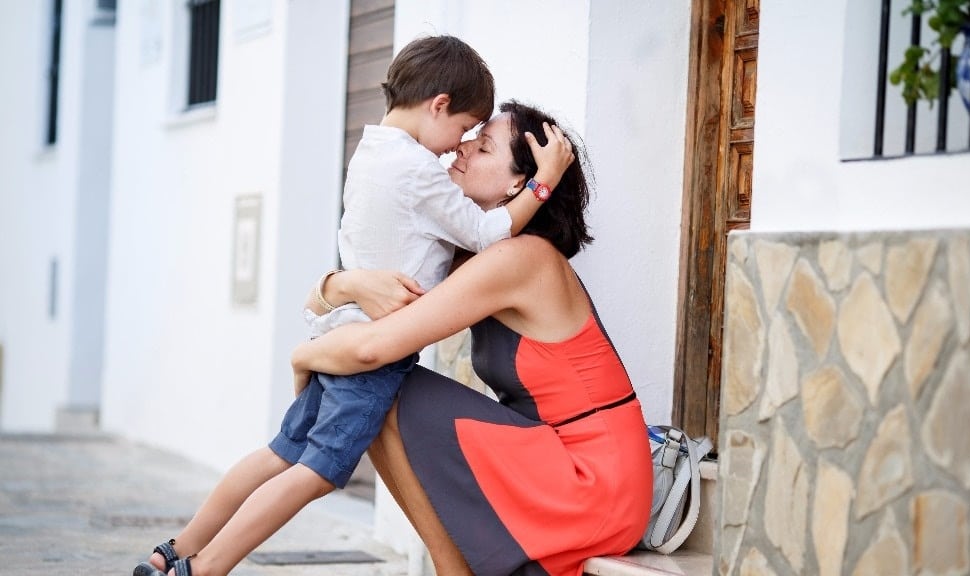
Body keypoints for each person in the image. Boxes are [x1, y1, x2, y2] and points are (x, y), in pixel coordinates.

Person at [133, 35, 574, 576]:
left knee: (278, 454)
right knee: (316, 473)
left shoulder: (371, 152)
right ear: (438, 104)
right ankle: (204, 569)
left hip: (340, 332)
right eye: (462, 131)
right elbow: (487, 231)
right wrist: (545, 181)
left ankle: (175, 548)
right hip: (373, 353)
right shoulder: (418, 170)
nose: (455, 148)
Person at [292, 101, 654, 576]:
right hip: (560, 461)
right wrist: (342, 285)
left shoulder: (522, 259)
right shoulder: (476, 253)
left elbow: (371, 346)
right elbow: (367, 317)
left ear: (517, 185)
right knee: (380, 388)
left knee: (385, 383)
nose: (461, 147)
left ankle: (451, 571)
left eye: (483, 146)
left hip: (596, 482)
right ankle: (451, 569)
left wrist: (304, 356)